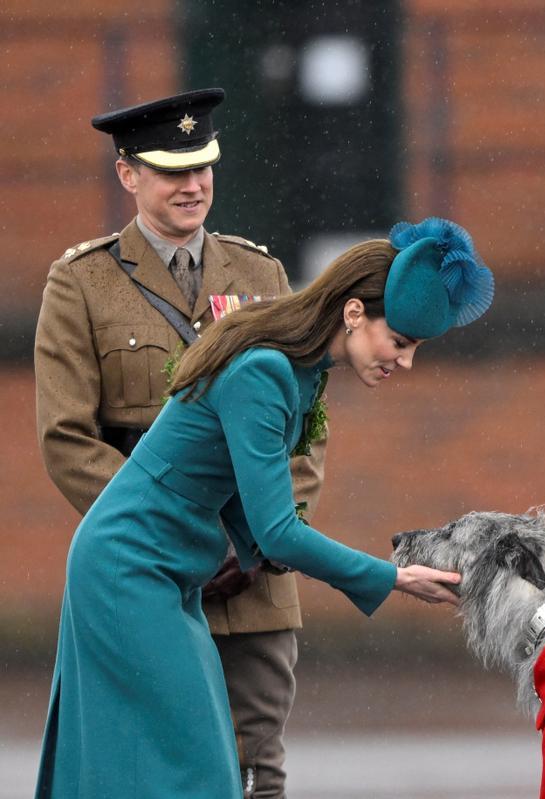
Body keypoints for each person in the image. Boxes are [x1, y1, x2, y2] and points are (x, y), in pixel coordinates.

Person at [34, 216, 493, 797]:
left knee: (197, 769)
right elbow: (277, 532)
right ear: (354, 314)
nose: (405, 362)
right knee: (191, 773)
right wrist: (392, 578)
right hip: (129, 569)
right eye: (400, 343)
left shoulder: (298, 370)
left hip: (164, 571)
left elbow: (248, 511)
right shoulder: (268, 371)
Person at [34, 88, 324, 797]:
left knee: (257, 770)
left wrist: (260, 540)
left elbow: (307, 433)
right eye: (171, 169)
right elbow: (68, 437)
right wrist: (170, 532)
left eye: (203, 166)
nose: (192, 184)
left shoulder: (263, 277)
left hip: (251, 577)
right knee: (150, 768)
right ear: (128, 174)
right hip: (147, 580)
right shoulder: (81, 283)